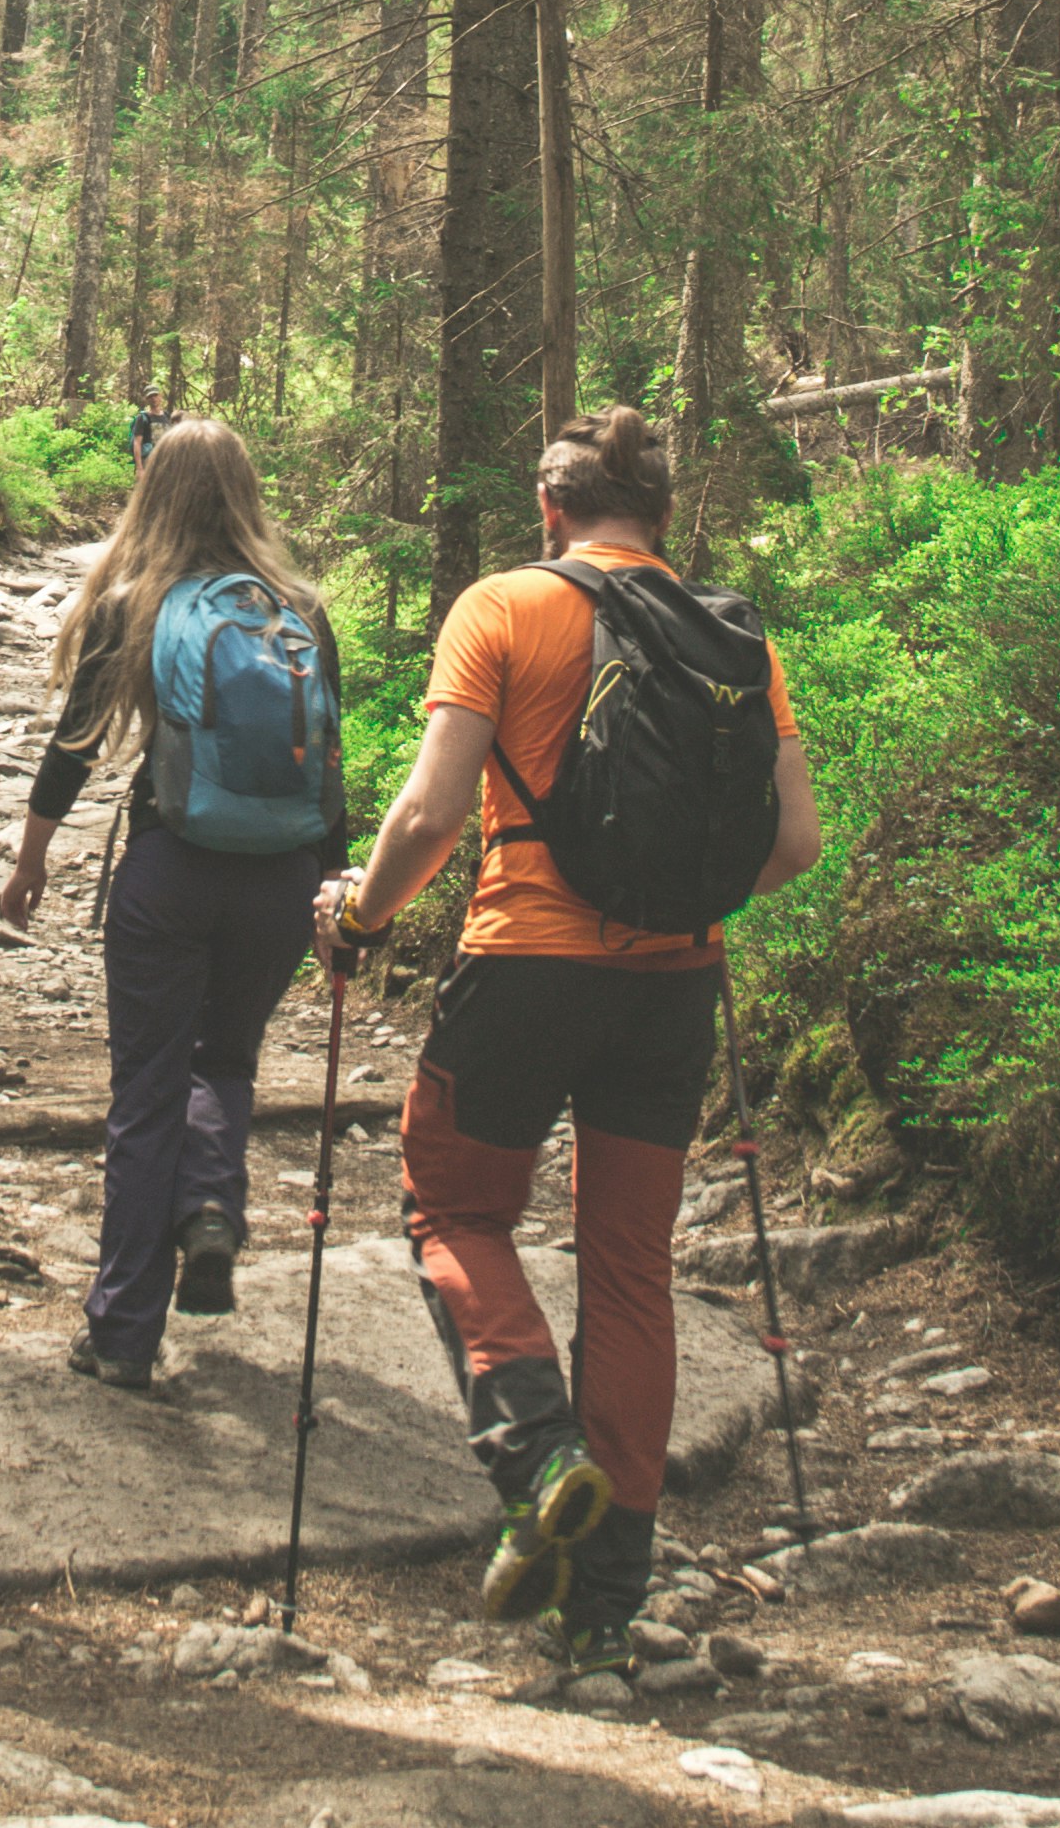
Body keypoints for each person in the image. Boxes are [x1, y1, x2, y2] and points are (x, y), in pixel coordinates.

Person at [312, 404, 822, 1661]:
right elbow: (795, 847)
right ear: (663, 517)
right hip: (673, 986)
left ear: (553, 510)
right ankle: (610, 1589)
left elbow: (433, 811)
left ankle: (539, 1455)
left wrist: (363, 919)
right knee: (630, 1270)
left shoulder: (504, 606)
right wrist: (670, 895)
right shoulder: (736, 639)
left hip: (526, 968)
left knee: (455, 1211)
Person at [0, 415, 343, 1387]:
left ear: (156, 492)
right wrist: (334, 899)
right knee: (225, 1059)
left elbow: (73, 748)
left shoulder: (134, 601)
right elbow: (330, 775)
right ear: (245, 492)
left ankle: (122, 1333)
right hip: (279, 882)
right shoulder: (300, 612)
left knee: (145, 1093)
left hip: (169, 872)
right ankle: (210, 1209)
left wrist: (29, 862)